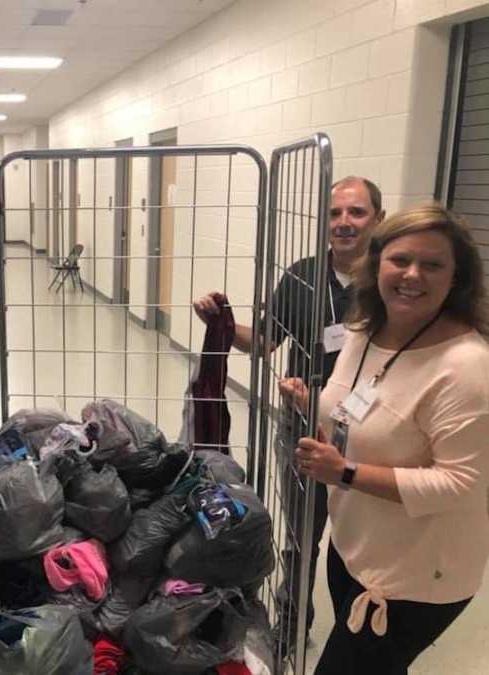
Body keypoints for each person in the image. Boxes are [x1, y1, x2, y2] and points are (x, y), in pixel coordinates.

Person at [290, 204, 489, 673]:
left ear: (456, 278)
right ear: (377, 262)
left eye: (433, 264)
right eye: (400, 259)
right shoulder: (363, 332)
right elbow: (360, 406)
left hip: (412, 580)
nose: (412, 274)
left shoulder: (466, 367)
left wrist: (346, 472)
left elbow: (460, 484)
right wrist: (314, 416)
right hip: (354, 552)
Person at [193, 176, 385, 647]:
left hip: (374, 431)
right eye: (336, 214)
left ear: (377, 219)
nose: (344, 223)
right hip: (304, 426)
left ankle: (357, 629)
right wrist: (221, 321)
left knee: (364, 540)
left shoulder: (390, 280)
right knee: (303, 534)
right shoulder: (301, 275)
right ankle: (293, 622)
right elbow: (263, 341)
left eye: (356, 213)